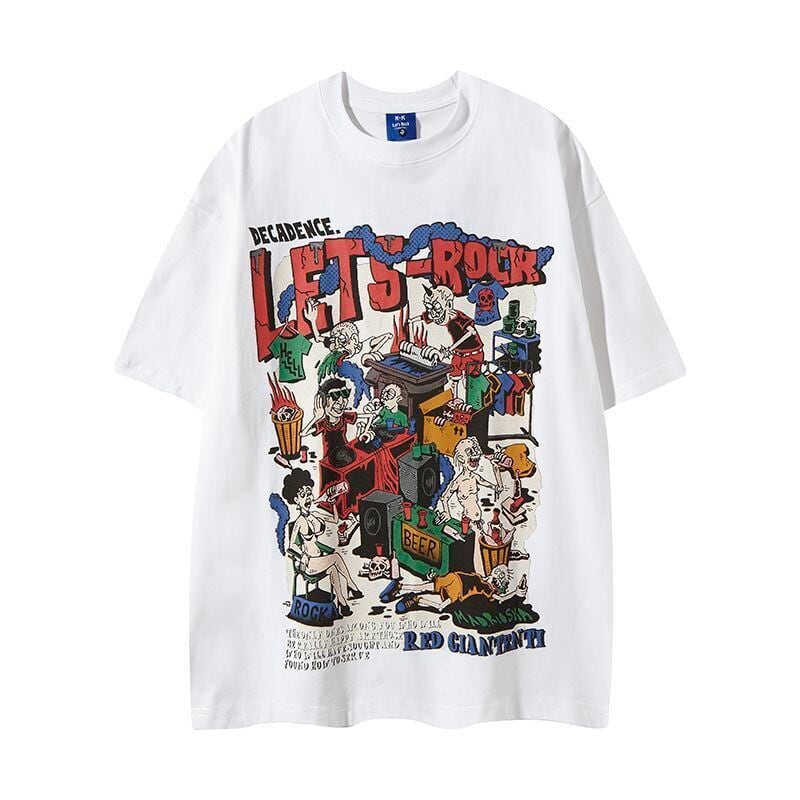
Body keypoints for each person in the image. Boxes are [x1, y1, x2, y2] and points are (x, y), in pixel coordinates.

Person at [281, 469, 362, 616]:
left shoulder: (315, 515)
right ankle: (351, 585)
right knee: (335, 558)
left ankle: (342, 603)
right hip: (309, 564)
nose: (308, 497)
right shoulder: (299, 521)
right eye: (303, 495)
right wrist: (302, 555)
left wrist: (332, 505)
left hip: (320, 560)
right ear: (296, 500)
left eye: (309, 493)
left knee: (333, 569)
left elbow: (335, 520)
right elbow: (292, 545)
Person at [410, 284, 484, 400]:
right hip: (458, 354)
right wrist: (411, 321)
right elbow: (425, 316)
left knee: (470, 383)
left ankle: (473, 402)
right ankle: (455, 400)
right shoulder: (435, 313)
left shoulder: (460, 319)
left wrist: (451, 348)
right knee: (454, 379)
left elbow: (471, 332)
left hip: (473, 355)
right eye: (429, 308)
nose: (433, 314)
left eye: (437, 308)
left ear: (448, 305)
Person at [395, 565, 527, 613]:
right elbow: (501, 598)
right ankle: (407, 591)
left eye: (500, 578)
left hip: (456, 585)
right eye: (498, 573)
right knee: (431, 589)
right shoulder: (483, 580)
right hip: (456, 581)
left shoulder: (488, 589)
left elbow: (501, 598)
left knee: (437, 600)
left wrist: (516, 592)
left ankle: (409, 593)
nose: (497, 578)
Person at [302, 377, 358, 461]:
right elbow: (303, 433)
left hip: (346, 455)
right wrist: (316, 417)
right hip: (329, 461)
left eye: (345, 394)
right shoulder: (323, 424)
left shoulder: (344, 417)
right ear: (323, 401)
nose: (341, 402)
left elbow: (367, 416)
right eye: (335, 396)